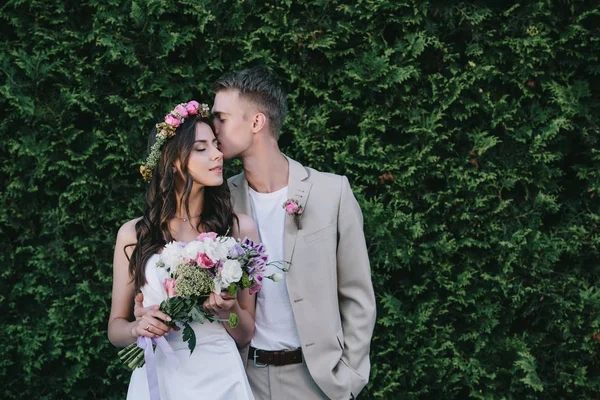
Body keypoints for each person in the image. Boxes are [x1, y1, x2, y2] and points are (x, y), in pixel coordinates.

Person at [136, 66, 377, 400]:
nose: (213, 130)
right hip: (240, 378)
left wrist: (348, 378)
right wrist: (148, 308)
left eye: (221, 118)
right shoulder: (217, 204)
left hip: (318, 382)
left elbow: (357, 295)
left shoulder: (331, 193)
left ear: (256, 122)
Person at [108, 101, 259, 400]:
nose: (218, 154)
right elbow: (115, 329)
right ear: (174, 161)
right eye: (202, 148)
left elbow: (245, 333)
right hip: (161, 375)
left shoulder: (239, 229)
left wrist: (229, 311)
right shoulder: (133, 234)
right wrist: (139, 327)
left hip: (220, 376)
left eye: (216, 145)